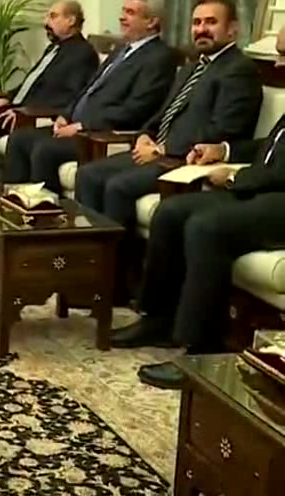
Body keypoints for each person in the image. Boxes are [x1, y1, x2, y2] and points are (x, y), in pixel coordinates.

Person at [112, 112, 285, 389]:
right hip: (266, 191)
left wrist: (235, 177)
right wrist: (223, 151)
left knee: (207, 228)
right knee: (170, 213)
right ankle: (160, 320)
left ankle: (202, 348)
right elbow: (273, 150)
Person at [75, 0, 261, 234]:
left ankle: (120, 258)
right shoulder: (192, 67)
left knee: (118, 187)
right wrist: (145, 134)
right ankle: (89, 250)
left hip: (187, 158)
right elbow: (164, 113)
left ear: (232, 29)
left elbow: (225, 130)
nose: (201, 29)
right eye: (196, 23)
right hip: (159, 153)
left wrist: (164, 149)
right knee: (88, 174)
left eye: (211, 22)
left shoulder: (239, 70)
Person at [4, 0, 177, 193]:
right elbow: (88, 88)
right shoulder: (121, 50)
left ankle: (45, 209)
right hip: (78, 126)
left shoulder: (159, 57)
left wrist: (82, 126)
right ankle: (15, 203)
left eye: (130, 13)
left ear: (151, 22)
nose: (122, 17)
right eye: (123, 11)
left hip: (99, 132)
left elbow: (137, 109)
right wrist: (66, 115)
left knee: (44, 150)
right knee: (20, 139)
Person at [0, 0, 99, 147]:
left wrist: (21, 111)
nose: (46, 22)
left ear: (71, 20)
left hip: (30, 115)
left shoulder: (83, 53)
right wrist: (8, 98)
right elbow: (32, 83)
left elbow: (69, 97)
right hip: (18, 107)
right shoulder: (54, 49)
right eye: (47, 16)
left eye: (53, 16)